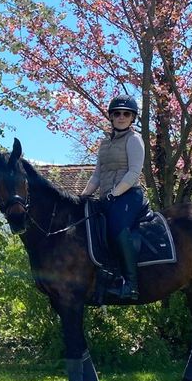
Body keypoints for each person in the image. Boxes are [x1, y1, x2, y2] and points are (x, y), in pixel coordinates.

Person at [80, 95, 145, 301]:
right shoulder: (104, 144)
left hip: (128, 196)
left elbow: (134, 172)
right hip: (107, 197)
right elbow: (98, 174)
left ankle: (131, 285)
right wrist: (83, 196)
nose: (121, 117)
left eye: (126, 113)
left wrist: (114, 193)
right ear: (111, 116)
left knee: (116, 229)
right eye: (117, 113)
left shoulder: (134, 139)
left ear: (132, 117)